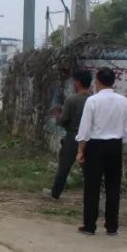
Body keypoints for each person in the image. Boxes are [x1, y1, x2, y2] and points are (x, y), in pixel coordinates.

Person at [76, 66, 127, 236]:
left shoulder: (92, 101)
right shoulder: (123, 101)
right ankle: (112, 225)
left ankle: (90, 225)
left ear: (97, 82)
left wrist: (80, 151)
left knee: (92, 187)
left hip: (96, 146)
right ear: (113, 81)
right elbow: (126, 130)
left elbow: (85, 129)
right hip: (115, 145)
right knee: (113, 187)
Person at [46, 69, 93, 200]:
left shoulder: (72, 99)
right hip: (90, 138)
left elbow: (64, 120)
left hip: (73, 137)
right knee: (89, 170)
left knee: (64, 167)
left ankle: (55, 194)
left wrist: (57, 117)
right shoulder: (94, 100)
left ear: (77, 83)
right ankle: (92, 197)